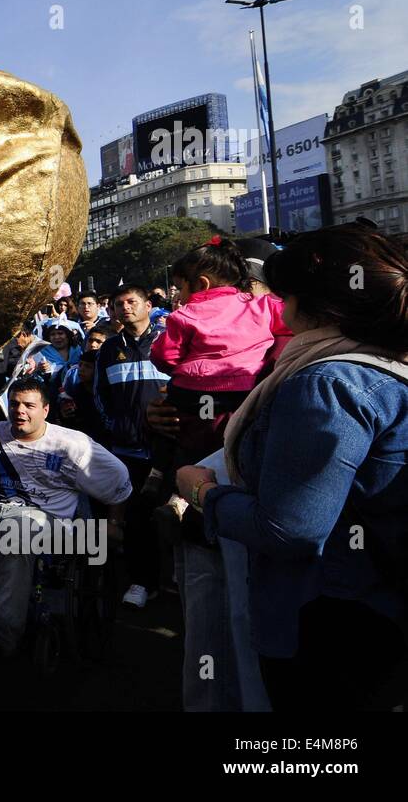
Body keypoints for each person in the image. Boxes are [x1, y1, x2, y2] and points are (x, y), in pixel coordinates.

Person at [179, 225, 408, 711]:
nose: (279, 310)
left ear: (314, 305)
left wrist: (202, 493)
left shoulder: (328, 383)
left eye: (285, 297)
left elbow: (290, 529)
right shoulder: (379, 363)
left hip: (327, 615)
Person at [0, 378, 130, 668]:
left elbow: (120, 480)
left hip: (50, 524)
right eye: (14, 404)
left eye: (29, 405)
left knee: (17, 532)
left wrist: (115, 524)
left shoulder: (71, 444)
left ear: (46, 410)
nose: (19, 411)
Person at [148, 237, 288, 491]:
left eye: (251, 284)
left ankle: (160, 477)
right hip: (239, 396)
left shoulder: (185, 315)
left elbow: (164, 356)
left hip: (191, 395)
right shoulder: (266, 309)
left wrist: (180, 373)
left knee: (187, 449)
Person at [93, 284, 170, 609]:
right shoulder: (109, 349)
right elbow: (100, 396)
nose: (125, 308)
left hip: (168, 449)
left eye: (131, 301)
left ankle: (173, 578)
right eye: (118, 303)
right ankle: (142, 582)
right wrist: (117, 428)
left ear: (148, 305)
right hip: (127, 450)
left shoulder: (169, 341)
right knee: (137, 518)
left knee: (171, 517)